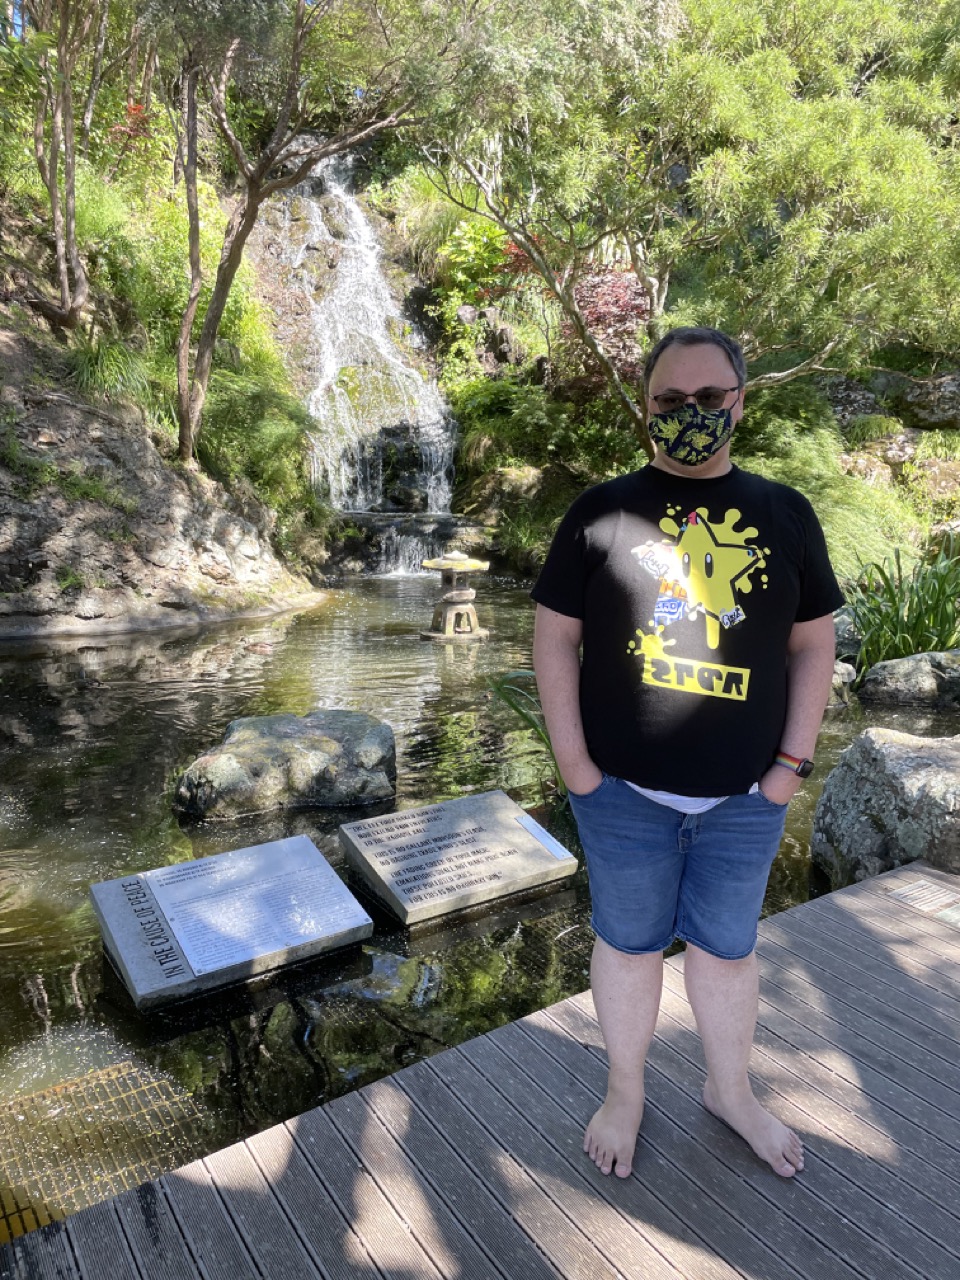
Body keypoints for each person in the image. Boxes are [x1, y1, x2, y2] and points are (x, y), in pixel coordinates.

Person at [531, 326, 843, 1180]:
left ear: (741, 401)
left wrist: (789, 769)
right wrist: (575, 768)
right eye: (671, 401)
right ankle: (625, 1089)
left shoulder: (785, 513)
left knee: (728, 951)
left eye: (710, 398)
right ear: (647, 405)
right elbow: (554, 638)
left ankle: (729, 1089)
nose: (691, 414)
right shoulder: (600, 512)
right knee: (628, 947)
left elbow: (815, 646)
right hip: (621, 795)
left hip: (746, 799)